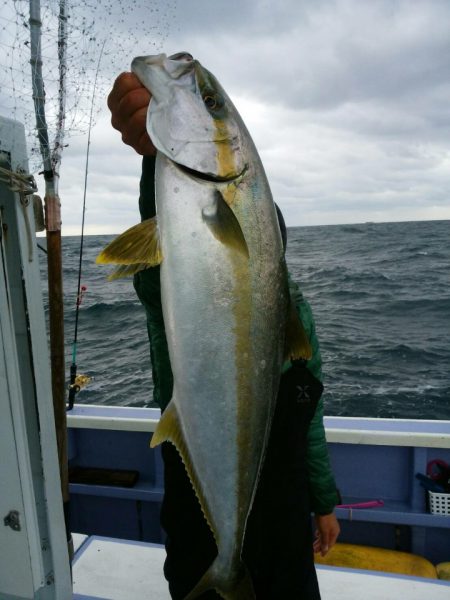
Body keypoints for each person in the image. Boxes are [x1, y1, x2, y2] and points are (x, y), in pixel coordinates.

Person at [107, 72, 341, 599]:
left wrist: (324, 503)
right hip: (203, 498)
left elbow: (312, 426)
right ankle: (224, 567)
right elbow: (161, 266)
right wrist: (155, 159)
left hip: (282, 502)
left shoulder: (295, 318)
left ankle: (230, 565)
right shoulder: (181, 271)